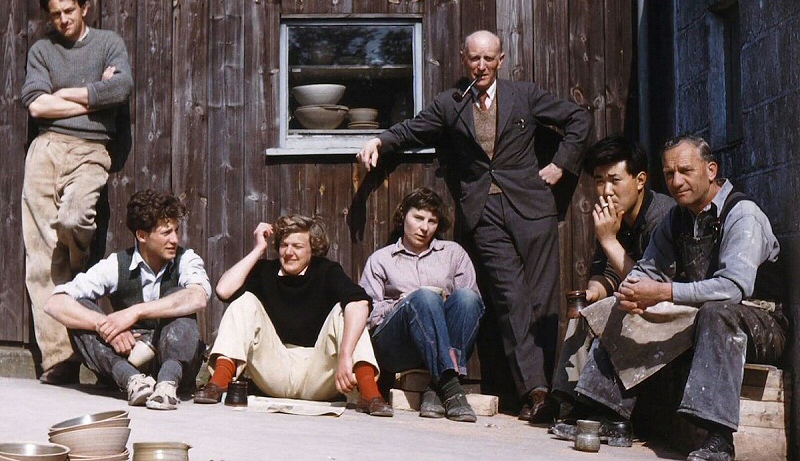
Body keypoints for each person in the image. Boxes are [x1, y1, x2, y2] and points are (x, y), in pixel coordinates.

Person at [357, 30, 593, 421]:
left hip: (533, 208)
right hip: (484, 215)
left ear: (501, 60)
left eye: (488, 59)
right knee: (511, 299)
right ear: (463, 60)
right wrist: (380, 142)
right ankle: (534, 392)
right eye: (474, 59)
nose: (481, 66)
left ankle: (554, 391)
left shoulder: (525, 95)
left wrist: (561, 164)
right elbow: (412, 129)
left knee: (542, 301)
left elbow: (578, 119)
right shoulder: (451, 104)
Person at [553, 135, 788, 461]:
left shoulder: (741, 214)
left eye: (685, 171)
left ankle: (718, 440)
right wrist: (631, 293)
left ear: (710, 170)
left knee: (717, 313)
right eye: (669, 174)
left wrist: (662, 292)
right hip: (704, 313)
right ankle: (608, 414)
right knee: (620, 303)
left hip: (761, 322)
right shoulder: (676, 219)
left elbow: (734, 288)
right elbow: (645, 272)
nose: (676, 182)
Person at [20, 0, 134, 384]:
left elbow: (121, 87)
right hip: (46, 149)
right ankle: (60, 358)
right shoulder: (41, 50)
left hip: (92, 150)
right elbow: (35, 104)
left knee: (74, 220)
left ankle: (77, 271)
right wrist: (93, 94)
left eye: (69, 11)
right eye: (55, 14)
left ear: (85, 8)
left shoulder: (108, 42)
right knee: (40, 256)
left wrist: (64, 94)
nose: (63, 20)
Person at [194, 215, 392, 417]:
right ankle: (217, 384)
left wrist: (345, 356)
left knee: (349, 310)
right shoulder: (265, 271)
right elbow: (224, 290)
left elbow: (360, 303)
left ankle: (369, 394)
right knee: (244, 302)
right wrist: (258, 249)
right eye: (283, 245)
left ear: (312, 249)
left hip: (318, 371)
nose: (289, 252)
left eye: (297, 246)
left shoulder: (327, 271)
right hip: (275, 367)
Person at [44, 190, 210, 410]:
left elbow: (198, 297)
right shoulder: (116, 264)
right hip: (128, 357)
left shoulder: (186, 259)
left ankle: (166, 387)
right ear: (142, 235)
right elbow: (54, 303)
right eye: (166, 233)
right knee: (81, 310)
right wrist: (105, 327)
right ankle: (133, 382)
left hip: (176, 362)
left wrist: (135, 312)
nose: (175, 240)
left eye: (176, 231)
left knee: (178, 299)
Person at [549, 135, 673, 410]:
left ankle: (602, 408)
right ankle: (566, 400)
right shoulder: (615, 215)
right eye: (599, 180)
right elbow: (606, 272)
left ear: (640, 180)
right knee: (585, 311)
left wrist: (608, 240)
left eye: (615, 180)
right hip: (636, 297)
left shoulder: (662, 217)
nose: (606, 190)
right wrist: (593, 292)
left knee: (617, 309)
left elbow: (650, 284)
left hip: (667, 306)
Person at [360, 188, 484, 422]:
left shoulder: (453, 253)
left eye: (432, 221)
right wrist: (404, 303)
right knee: (423, 298)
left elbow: (472, 307)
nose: (424, 227)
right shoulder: (381, 259)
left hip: (443, 341)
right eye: (418, 218)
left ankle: (435, 390)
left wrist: (443, 304)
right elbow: (370, 315)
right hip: (398, 347)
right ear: (403, 216)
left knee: (467, 297)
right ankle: (451, 388)